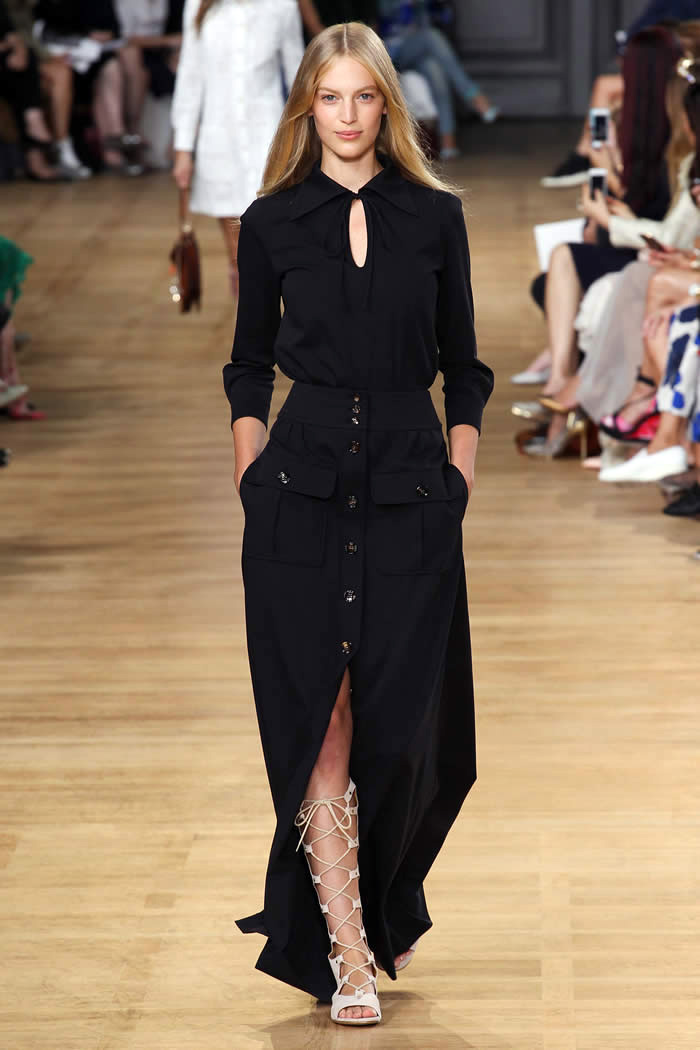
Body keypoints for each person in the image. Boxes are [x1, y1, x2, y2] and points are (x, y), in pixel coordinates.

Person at [222, 20, 493, 1027]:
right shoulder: (272, 220)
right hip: (296, 491)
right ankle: (348, 957)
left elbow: (464, 365)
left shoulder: (435, 216)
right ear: (309, 107)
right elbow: (248, 363)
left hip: (411, 489)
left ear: (387, 104)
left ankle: (384, 896)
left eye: (363, 97)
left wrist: (458, 475)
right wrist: (250, 473)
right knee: (320, 720)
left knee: (402, 720)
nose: (346, 115)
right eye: (330, 98)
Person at [171, 0, 304, 298]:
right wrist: (183, 149)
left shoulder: (282, 6)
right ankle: (250, 322)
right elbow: (190, 77)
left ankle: (278, 316)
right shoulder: (198, 6)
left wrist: (307, 141)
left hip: (268, 140)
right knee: (238, 254)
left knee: (271, 245)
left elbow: (299, 77)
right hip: (220, 140)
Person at [377, 0, 498, 159]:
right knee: (433, 37)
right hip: (394, 50)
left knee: (435, 70)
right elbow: (386, 15)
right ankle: (474, 96)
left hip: (420, 50)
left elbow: (441, 16)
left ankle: (448, 142)